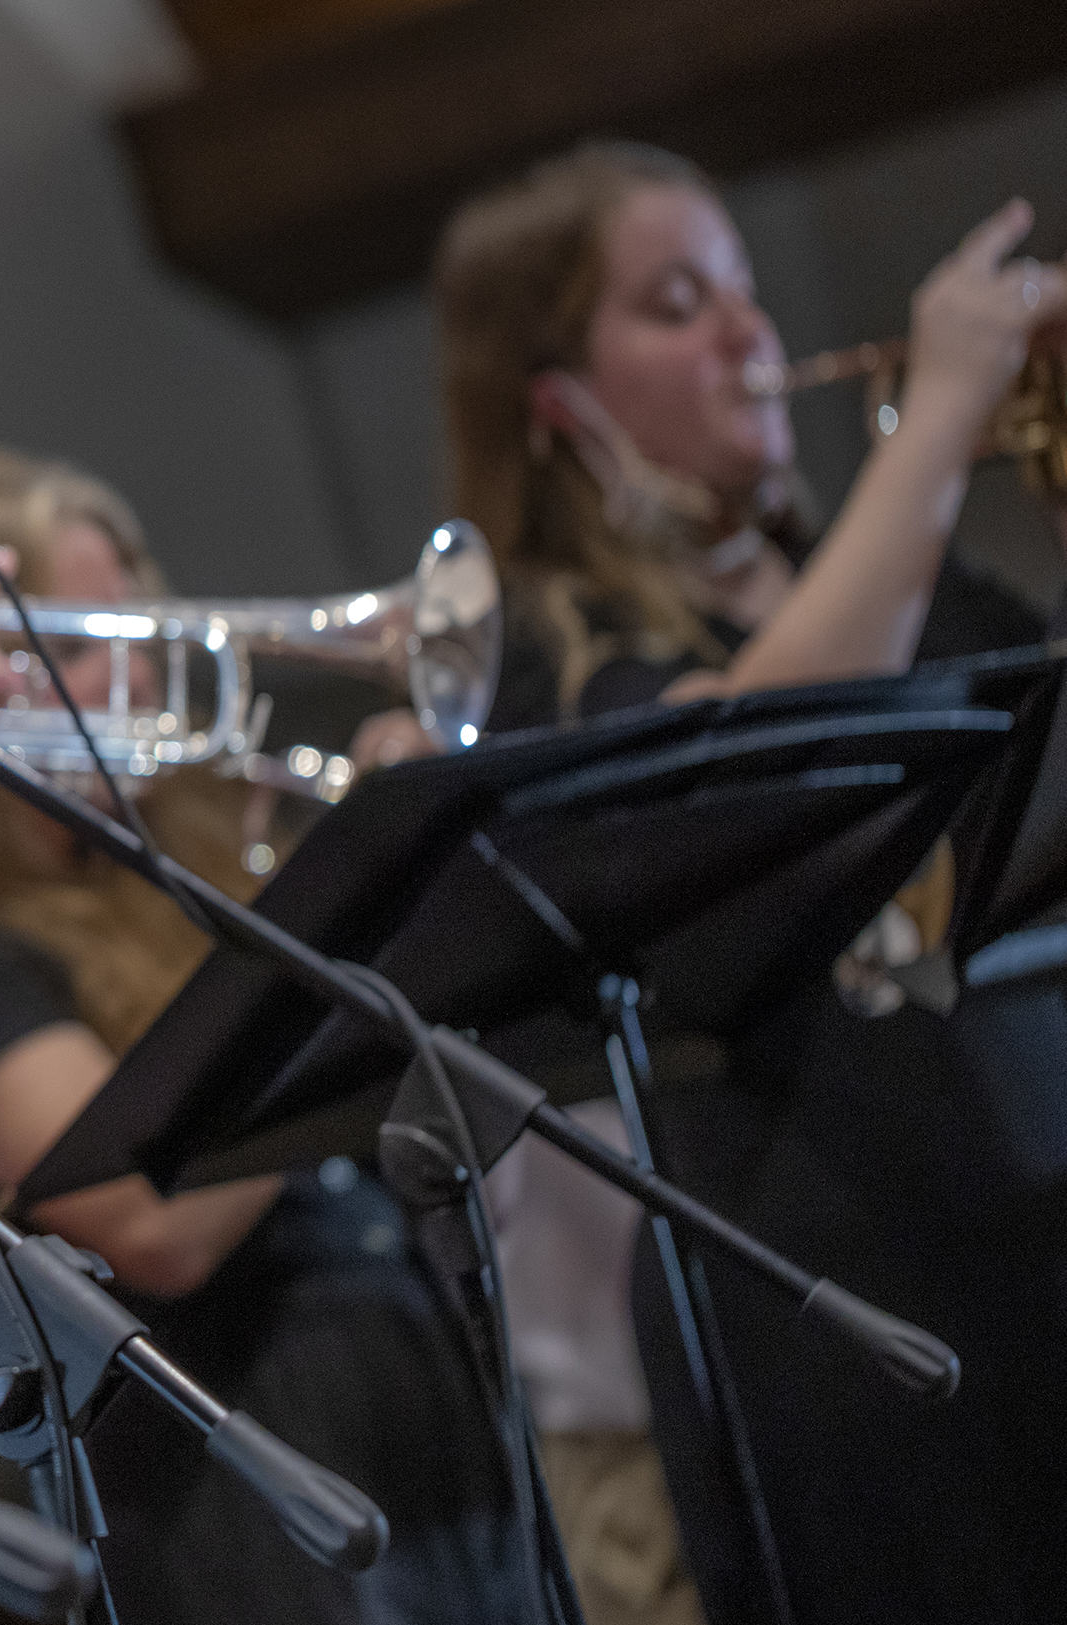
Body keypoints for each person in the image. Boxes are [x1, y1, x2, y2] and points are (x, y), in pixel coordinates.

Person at [435, 139, 1066, 1625]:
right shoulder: (527, 655)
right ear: (556, 405)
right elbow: (752, 757)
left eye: (741, 290)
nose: (744, 335)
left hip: (1018, 1210)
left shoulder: (902, 586)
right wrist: (941, 418)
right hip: (816, 1286)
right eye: (673, 303)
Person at [0, 445, 533, 1625]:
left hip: (406, 1402)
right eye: (70, 648)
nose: (125, 678)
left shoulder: (190, 872)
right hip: (215, 1470)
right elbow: (150, 1222)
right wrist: (355, 905)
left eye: (134, 631)